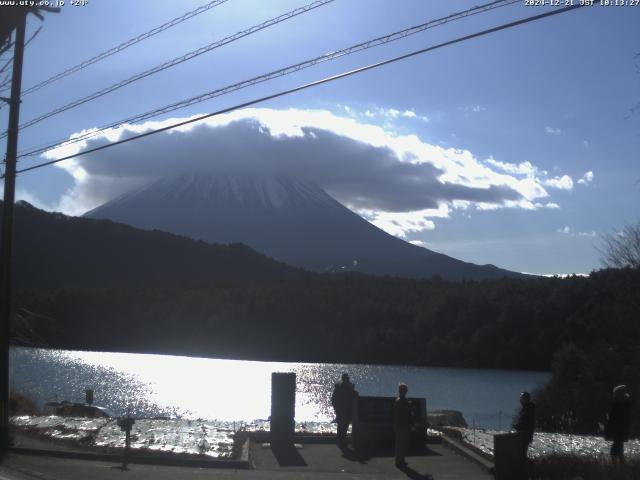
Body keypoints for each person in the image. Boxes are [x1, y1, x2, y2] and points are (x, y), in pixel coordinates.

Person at [605, 384, 631, 464]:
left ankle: (616, 464)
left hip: (618, 429)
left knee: (617, 447)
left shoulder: (618, 404)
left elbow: (612, 419)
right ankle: (619, 464)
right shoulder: (623, 404)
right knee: (619, 446)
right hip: (620, 429)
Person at [331, 372, 356, 449]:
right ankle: (342, 441)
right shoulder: (349, 386)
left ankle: (341, 442)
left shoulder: (338, 386)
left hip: (342, 409)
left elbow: (333, 399)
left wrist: (336, 408)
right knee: (344, 426)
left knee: (342, 426)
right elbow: (334, 399)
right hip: (345, 409)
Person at [513, 391, 536, 462]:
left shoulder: (529, 408)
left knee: (522, 454)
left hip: (525, 435)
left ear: (526, 399)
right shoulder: (526, 408)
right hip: (523, 435)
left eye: (521, 398)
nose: (520, 400)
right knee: (521, 453)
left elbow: (525, 421)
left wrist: (517, 426)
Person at [393, 383, 412, 468]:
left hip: (402, 425)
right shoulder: (401, 401)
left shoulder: (401, 400)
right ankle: (399, 461)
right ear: (403, 391)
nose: (406, 392)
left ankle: (401, 460)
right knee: (401, 444)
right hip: (402, 425)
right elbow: (400, 414)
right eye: (406, 390)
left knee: (402, 444)